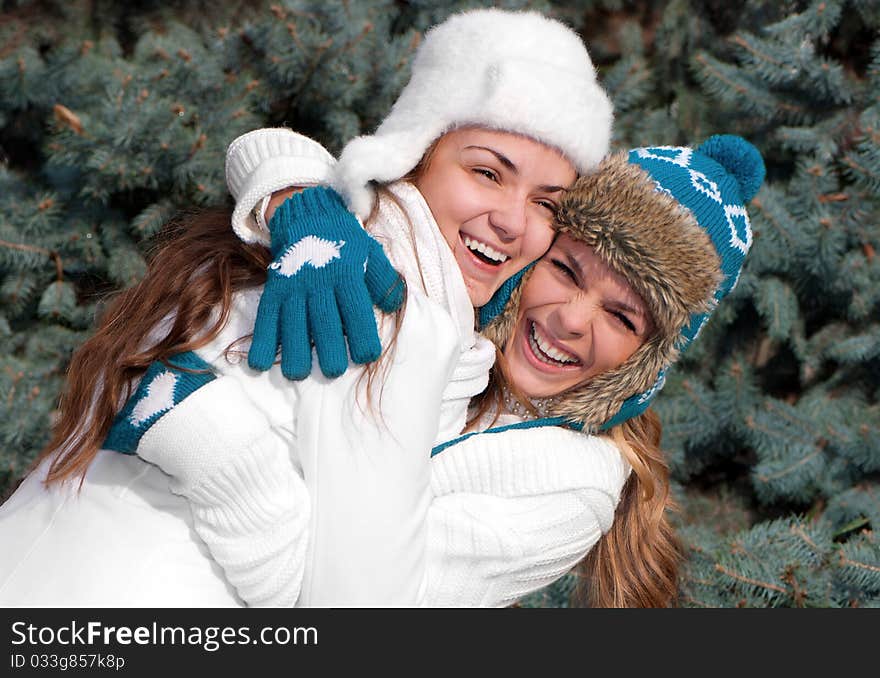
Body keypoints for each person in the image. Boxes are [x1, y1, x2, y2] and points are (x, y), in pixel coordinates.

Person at [0, 8, 614, 606]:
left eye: (547, 204)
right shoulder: (386, 305)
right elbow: (337, 602)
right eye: (487, 172)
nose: (512, 221)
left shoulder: (319, 241)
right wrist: (204, 436)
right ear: (416, 151)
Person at [110, 133, 765, 608]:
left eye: (623, 318)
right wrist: (299, 201)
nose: (572, 319)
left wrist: (216, 444)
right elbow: (354, 173)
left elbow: (358, 606)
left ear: (649, 363)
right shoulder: (456, 325)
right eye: (566, 270)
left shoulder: (571, 483)